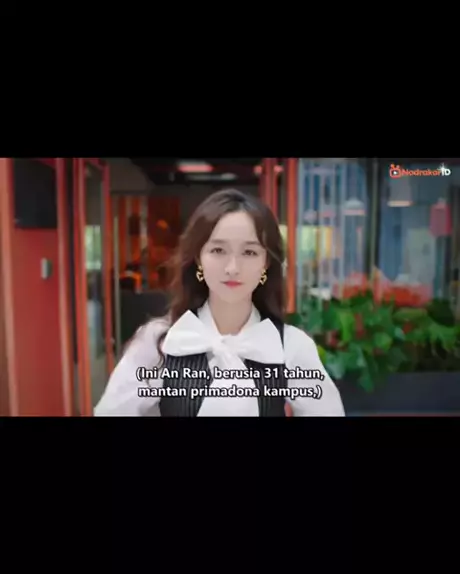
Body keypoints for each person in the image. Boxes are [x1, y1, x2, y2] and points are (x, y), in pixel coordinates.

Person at [94, 189, 345, 416]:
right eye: (218, 250)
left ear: (266, 263)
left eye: (249, 252)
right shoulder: (159, 342)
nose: (232, 268)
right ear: (198, 258)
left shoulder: (290, 346)